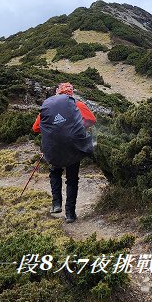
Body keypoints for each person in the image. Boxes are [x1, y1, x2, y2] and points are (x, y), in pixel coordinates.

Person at [32, 82, 96, 223]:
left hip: (54, 148)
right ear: (71, 92)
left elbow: (36, 128)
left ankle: (56, 204)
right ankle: (70, 214)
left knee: (55, 172)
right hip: (73, 147)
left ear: (57, 92)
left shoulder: (48, 106)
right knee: (72, 180)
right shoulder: (76, 104)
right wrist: (78, 125)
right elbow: (92, 120)